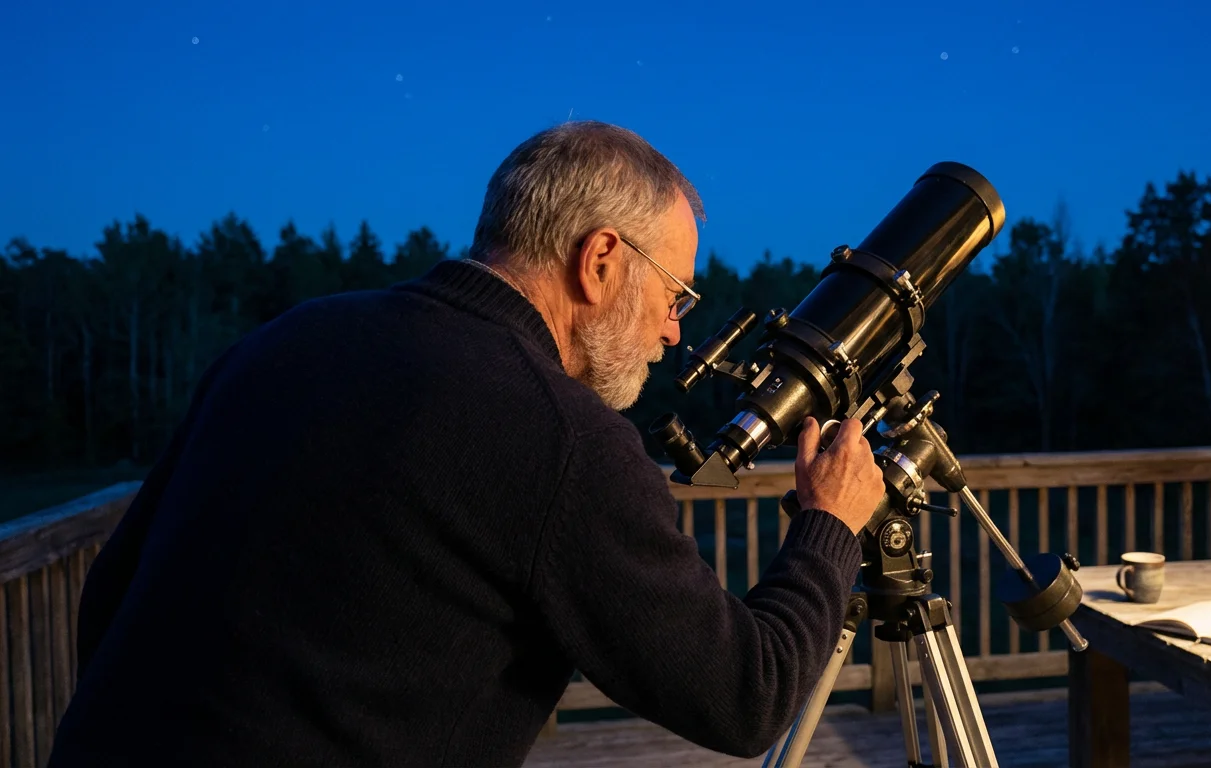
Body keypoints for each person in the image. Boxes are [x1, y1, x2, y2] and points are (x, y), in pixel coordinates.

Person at [48, 120, 885, 767]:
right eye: (675, 292)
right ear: (599, 260)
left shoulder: (288, 340)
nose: (674, 330)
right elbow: (747, 696)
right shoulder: (563, 439)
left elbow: (110, 595)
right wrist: (829, 526)